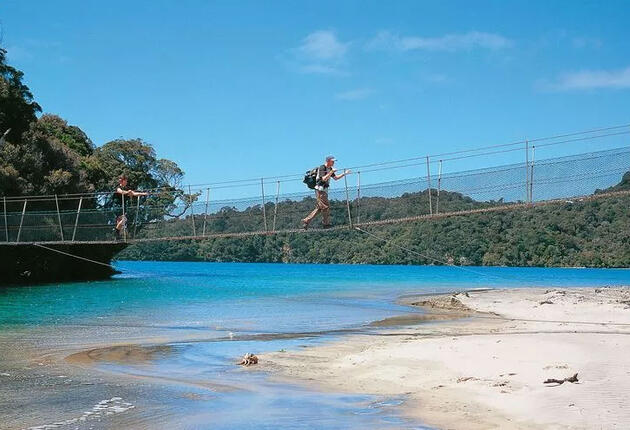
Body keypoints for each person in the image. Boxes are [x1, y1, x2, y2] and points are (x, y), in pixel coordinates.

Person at [301, 155, 351, 229]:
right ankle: (326, 224)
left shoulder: (330, 168)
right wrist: (331, 172)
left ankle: (306, 220)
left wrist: (344, 174)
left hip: (324, 190)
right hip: (320, 190)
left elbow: (336, 178)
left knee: (320, 208)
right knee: (325, 207)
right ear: (328, 161)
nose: (333, 162)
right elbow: (323, 179)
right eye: (332, 161)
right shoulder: (322, 168)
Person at [114, 175, 148, 240]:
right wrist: (128, 192)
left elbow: (134, 194)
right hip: (117, 206)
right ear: (122, 181)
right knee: (124, 220)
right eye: (125, 180)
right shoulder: (118, 187)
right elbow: (120, 192)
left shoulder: (126, 188)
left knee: (119, 222)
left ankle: (117, 236)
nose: (126, 182)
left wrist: (143, 194)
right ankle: (116, 232)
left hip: (123, 206)